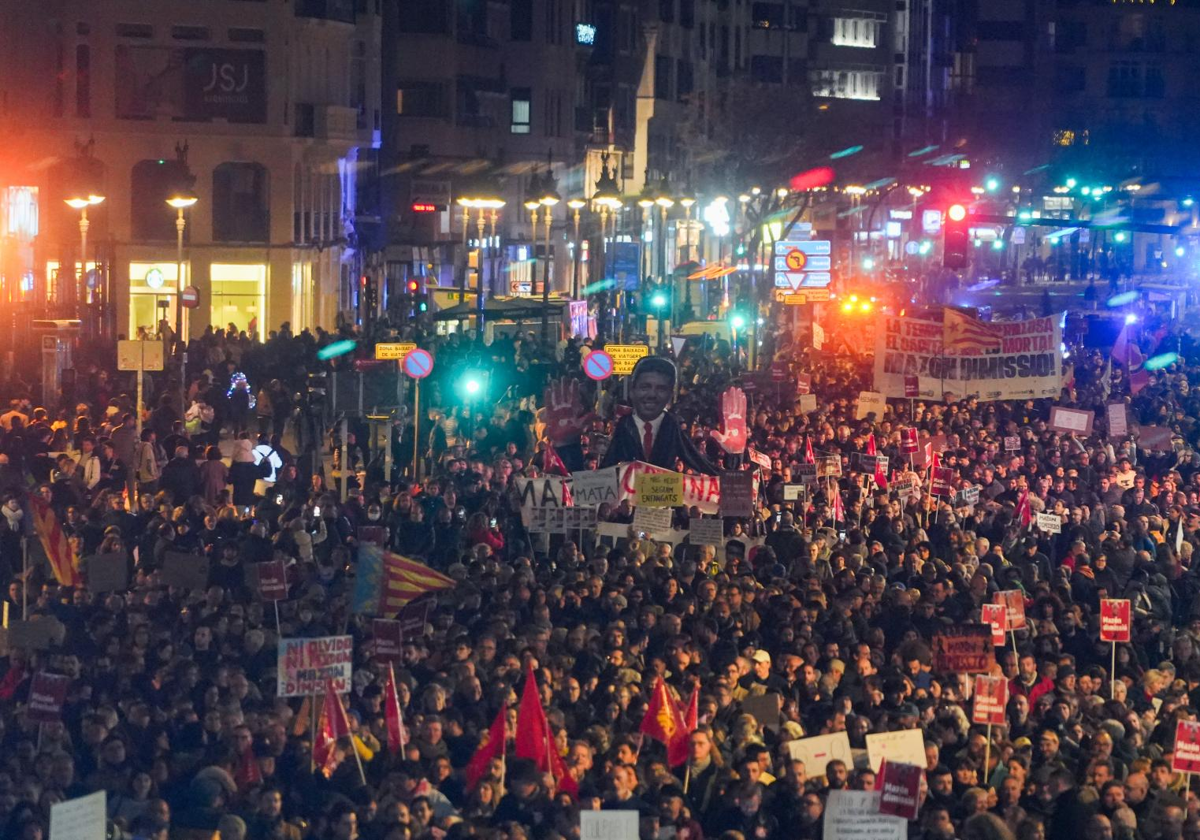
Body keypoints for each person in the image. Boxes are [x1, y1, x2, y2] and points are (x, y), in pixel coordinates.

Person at [599, 357, 717, 474]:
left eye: (661, 389)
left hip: (663, 490)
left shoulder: (671, 425)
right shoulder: (625, 424)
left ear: (670, 394)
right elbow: (609, 464)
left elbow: (694, 458)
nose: (652, 395)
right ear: (632, 390)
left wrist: (729, 473)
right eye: (645, 387)